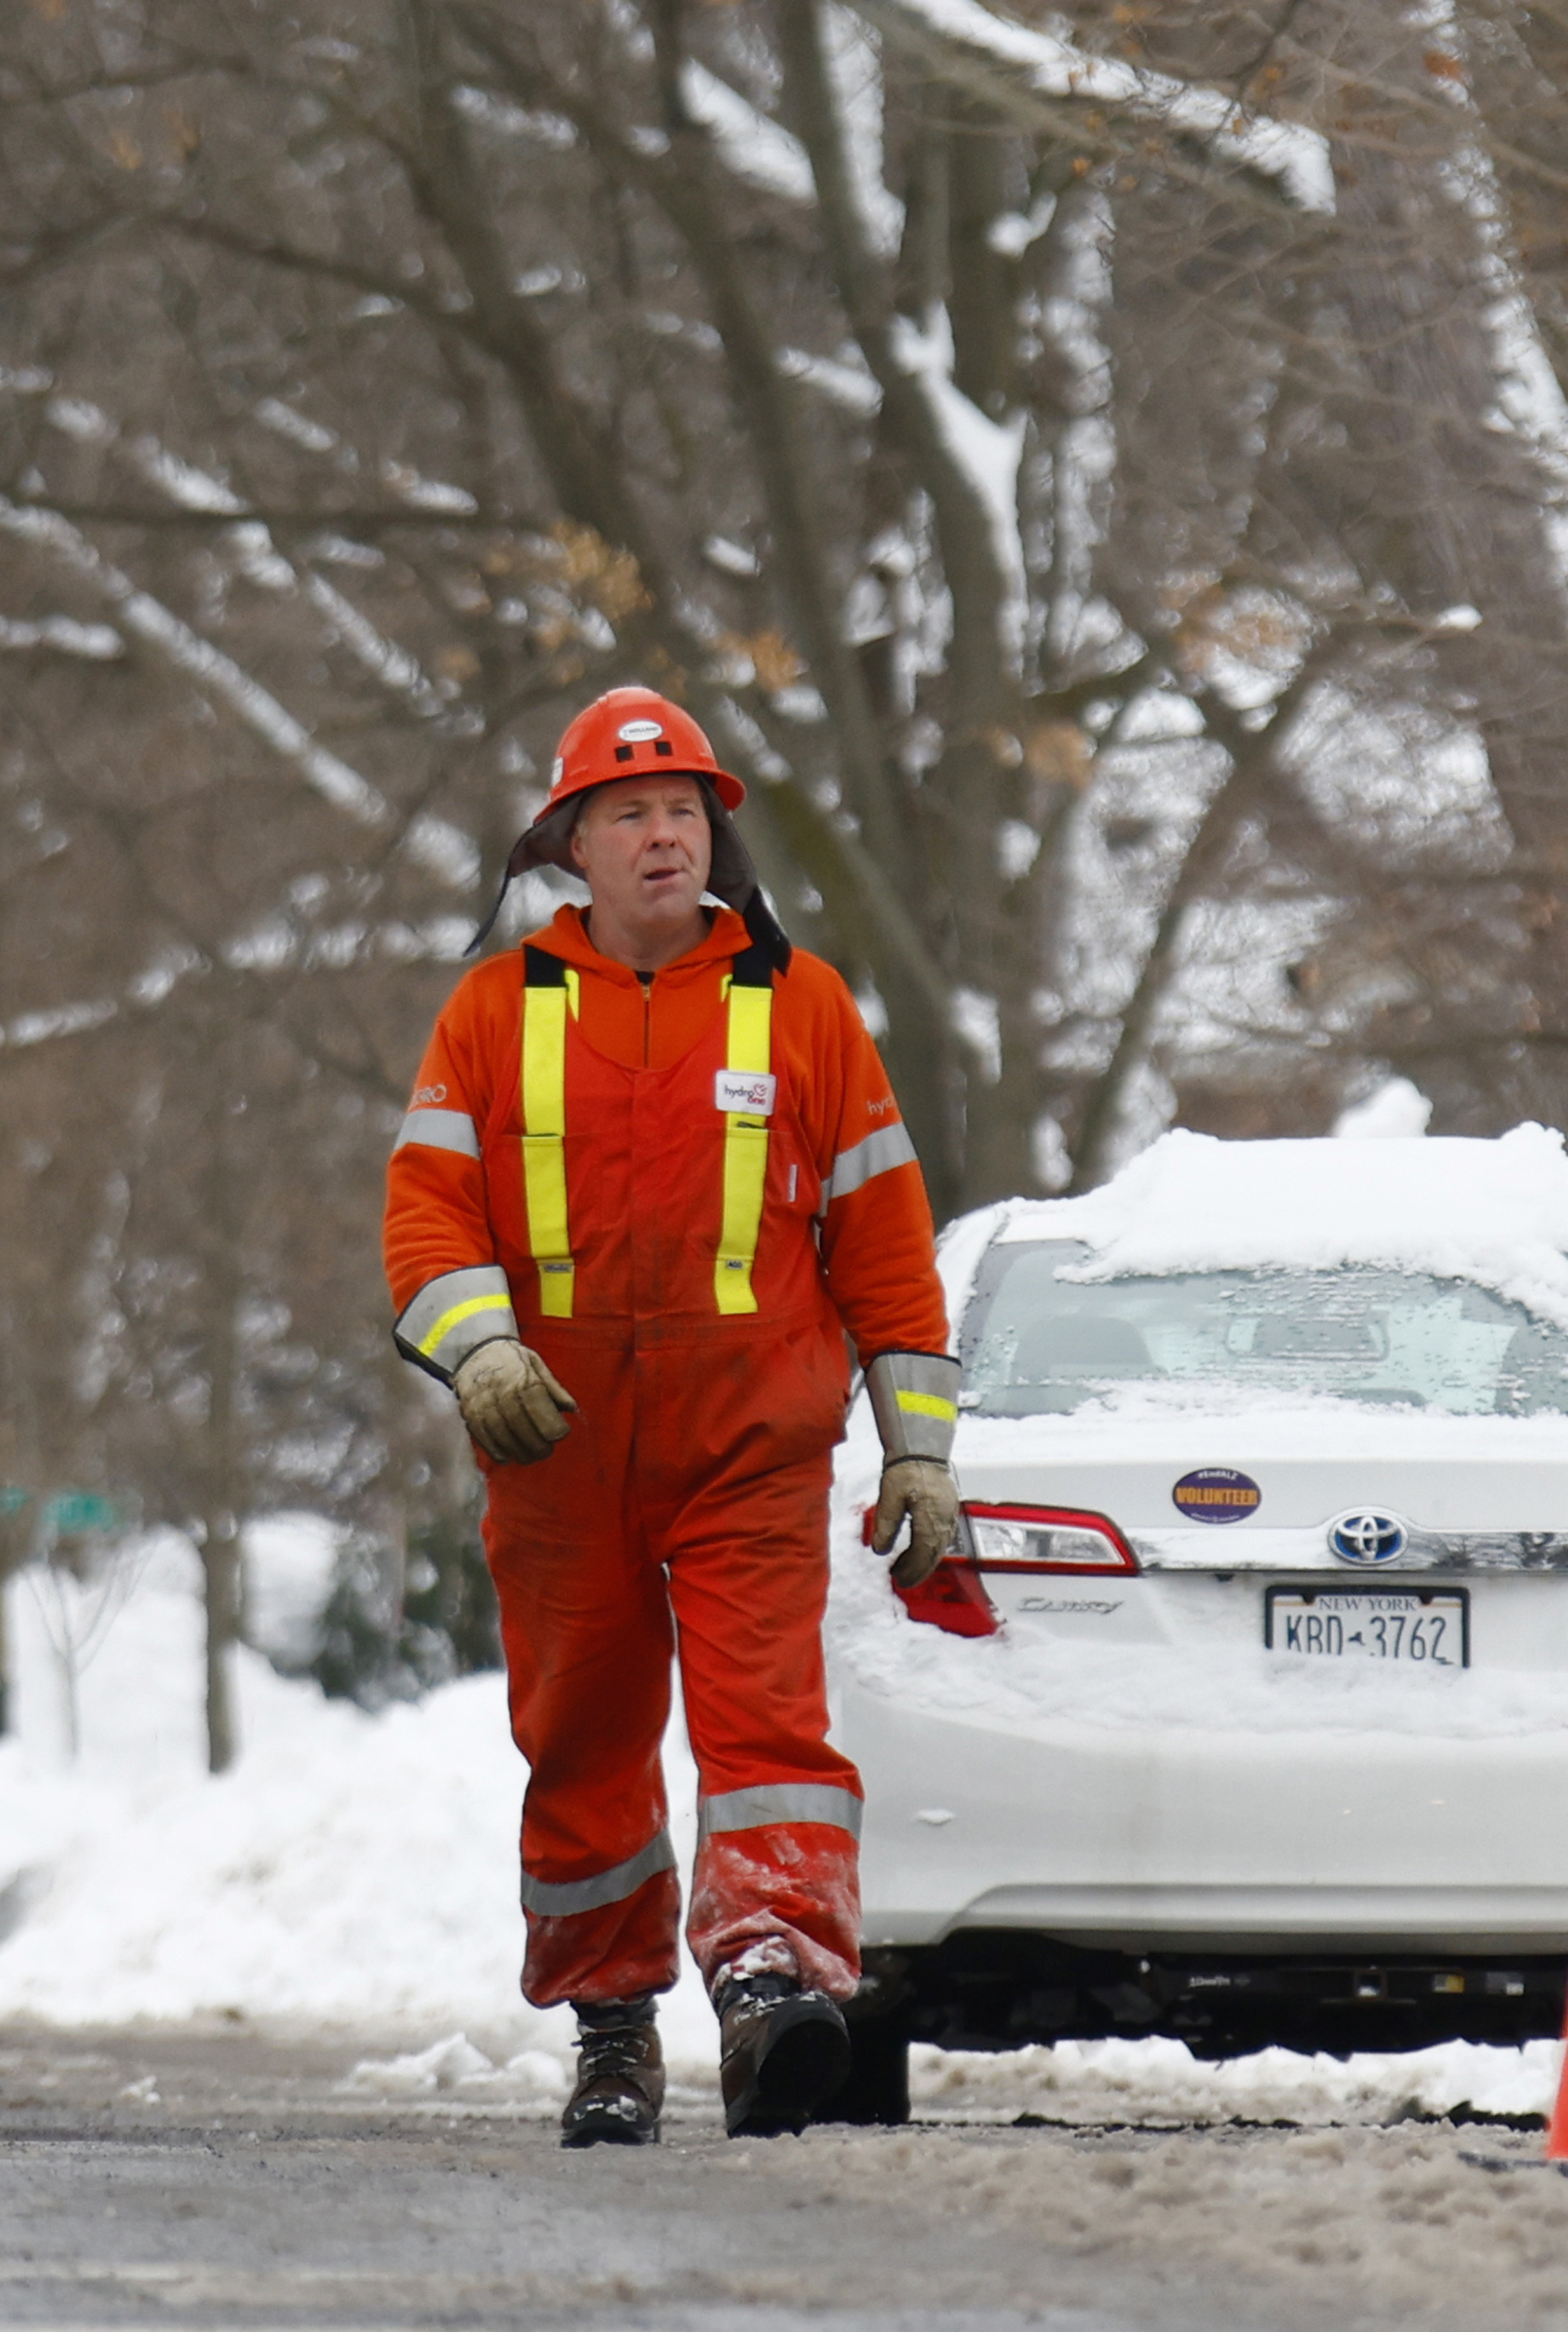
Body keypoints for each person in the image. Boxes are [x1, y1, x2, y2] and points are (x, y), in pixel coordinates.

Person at [383, 685, 968, 2144]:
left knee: (768, 1722)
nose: (665, 835)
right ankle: (614, 2026)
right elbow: (424, 1222)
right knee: (582, 1736)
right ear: (573, 841)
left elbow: (885, 1246)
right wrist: (484, 1355)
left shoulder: (806, 1008)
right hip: (555, 1452)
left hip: (749, 1453)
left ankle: (773, 1987)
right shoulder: (493, 1012)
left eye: (686, 810)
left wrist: (921, 1452)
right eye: (633, 811)